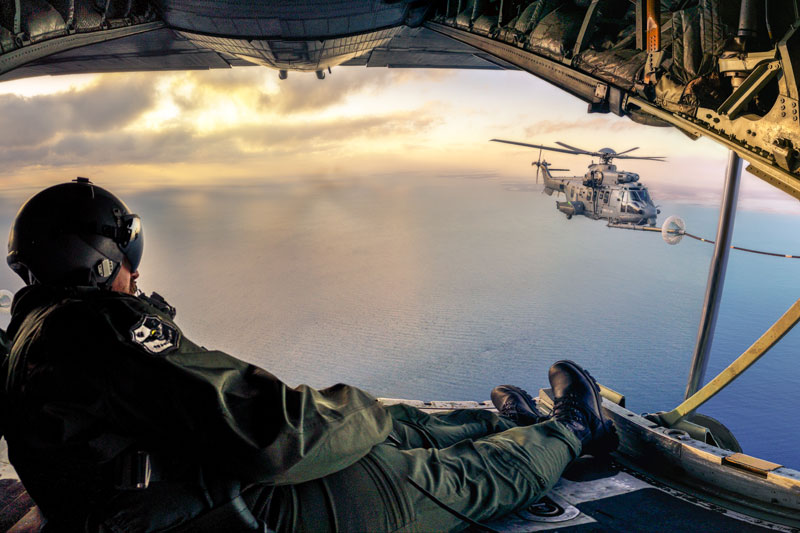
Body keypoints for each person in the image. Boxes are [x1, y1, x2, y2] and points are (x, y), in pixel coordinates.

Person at [1, 178, 618, 532]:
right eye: (127, 256)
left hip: (168, 503)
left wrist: (367, 416)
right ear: (98, 258)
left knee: (387, 423)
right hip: (226, 513)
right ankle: (570, 429)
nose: (136, 275)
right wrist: (364, 413)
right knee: (437, 478)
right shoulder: (100, 329)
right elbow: (276, 437)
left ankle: (505, 424)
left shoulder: (34, 335)